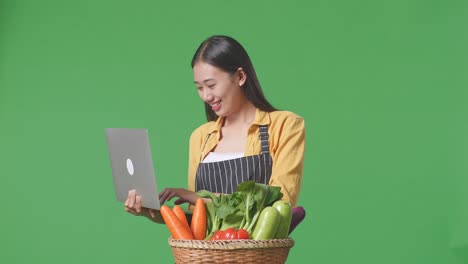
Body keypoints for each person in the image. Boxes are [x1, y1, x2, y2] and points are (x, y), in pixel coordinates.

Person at [125, 35, 306, 224]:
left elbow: (280, 206)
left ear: (240, 76)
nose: (206, 96)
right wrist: (150, 211)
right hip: (204, 253)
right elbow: (198, 220)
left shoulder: (285, 125)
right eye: (199, 88)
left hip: (255, 253)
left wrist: (198, 197)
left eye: (211, 85)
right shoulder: (201, 137)